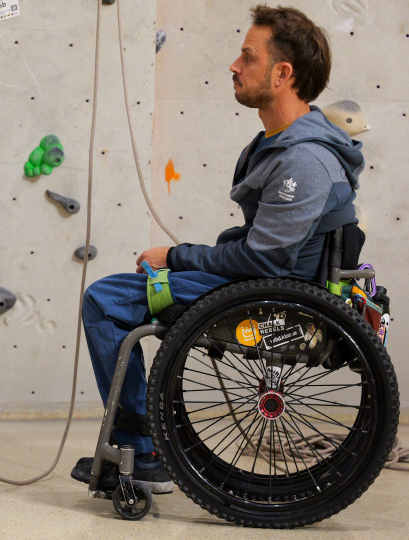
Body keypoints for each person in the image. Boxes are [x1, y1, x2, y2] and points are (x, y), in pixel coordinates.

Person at [72, 4, 364, 494]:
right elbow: (261, 248)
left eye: (247, 57)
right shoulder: (278, 144)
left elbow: (263, 259)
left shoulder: (306, 161)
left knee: (104, 300)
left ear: (282, 73)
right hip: (259, 284)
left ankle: (142, 449)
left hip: (275, 301)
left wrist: (178, 255)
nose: (233, 65)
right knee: (114, 294)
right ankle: (146, 439)